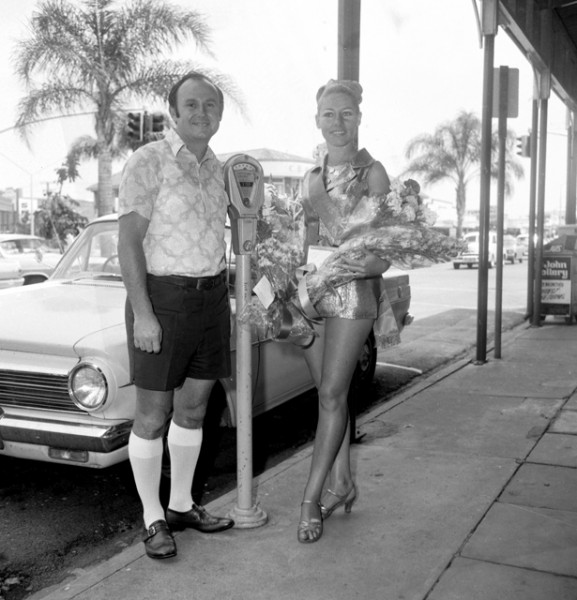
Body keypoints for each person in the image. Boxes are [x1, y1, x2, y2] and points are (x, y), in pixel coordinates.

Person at [118, 72, 234, 560]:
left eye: (211, 104)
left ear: (220, 114)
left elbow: (251, 231)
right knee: (153, 416)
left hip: (212, 298)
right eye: (192, 104)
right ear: (174, 111)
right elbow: (127, 242)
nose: (202, 112)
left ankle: (183, 504)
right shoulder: (149, 161)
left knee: (193, 410)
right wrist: (144, 314)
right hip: (162, 299)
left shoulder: (222, 169)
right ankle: (152, 518)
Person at [297, 79, 392, 543]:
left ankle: (311, 499)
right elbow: (300, 247)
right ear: (317, 120)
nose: (338, 122)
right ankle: (343, 482)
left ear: (359, 117)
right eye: (329, 114)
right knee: (327, 397)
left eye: (346, 113)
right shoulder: (309, 179)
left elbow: (386, 254)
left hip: (353, 296)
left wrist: (341, 266)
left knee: (333, 393)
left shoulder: (373, 173)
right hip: (311, 297)